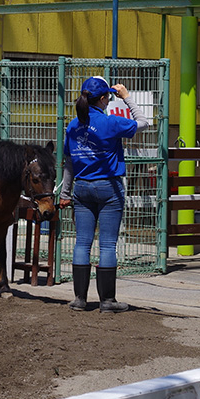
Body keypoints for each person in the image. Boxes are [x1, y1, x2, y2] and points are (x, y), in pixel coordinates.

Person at [59, 76, 150, 313]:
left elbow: (68, 163)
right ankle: (107, 301)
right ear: (102, 98)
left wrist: (65, 193)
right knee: (108, 245)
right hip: (109, 187)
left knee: (82, 242)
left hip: (82, 188)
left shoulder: (72, 126)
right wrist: (127, 98)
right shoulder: (111, 123)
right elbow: (143, 122)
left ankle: (79, 299)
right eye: (108, 96)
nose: (110, 99)